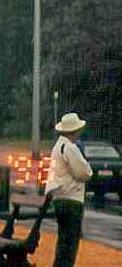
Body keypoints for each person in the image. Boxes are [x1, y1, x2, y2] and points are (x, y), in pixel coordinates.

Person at [47, 112, 93, 267]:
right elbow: (84, 173)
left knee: (63, 243)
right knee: (70, 245)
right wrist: (87, 168)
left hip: (60, 199)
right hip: (72, 200)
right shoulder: (70, 148)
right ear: (75, 130)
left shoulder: (58, 147)